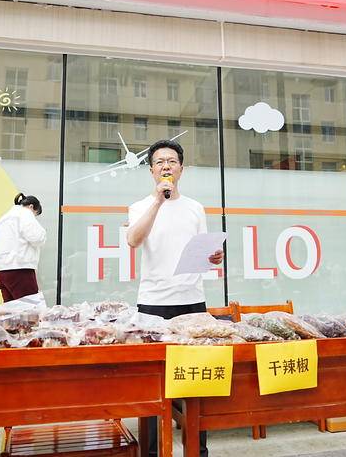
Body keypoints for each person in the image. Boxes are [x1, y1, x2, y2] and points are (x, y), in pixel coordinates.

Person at [127, 139, 224, 457]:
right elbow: (133, 240)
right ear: (151, 170)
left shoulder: (195, 208)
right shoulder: (140, 206)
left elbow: (203, 250)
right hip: (153, 304)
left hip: (192, 302)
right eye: (159, 162)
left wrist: (214, 256)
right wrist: (158, 201)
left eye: (171, 161)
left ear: (182, 168)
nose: (166, 166)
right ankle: (153, 452)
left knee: (196, 382)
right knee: (152, 385)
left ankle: (197, 451)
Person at [0, 193, 47, 302]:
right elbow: (37, 237)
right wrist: (44, 233)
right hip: (20, 270)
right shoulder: (25, 213)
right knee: (30, 309)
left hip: (1, 271)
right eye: (35, 214)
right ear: (31, 206)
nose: (34, 217)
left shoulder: (4, 218)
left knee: (11, 310)